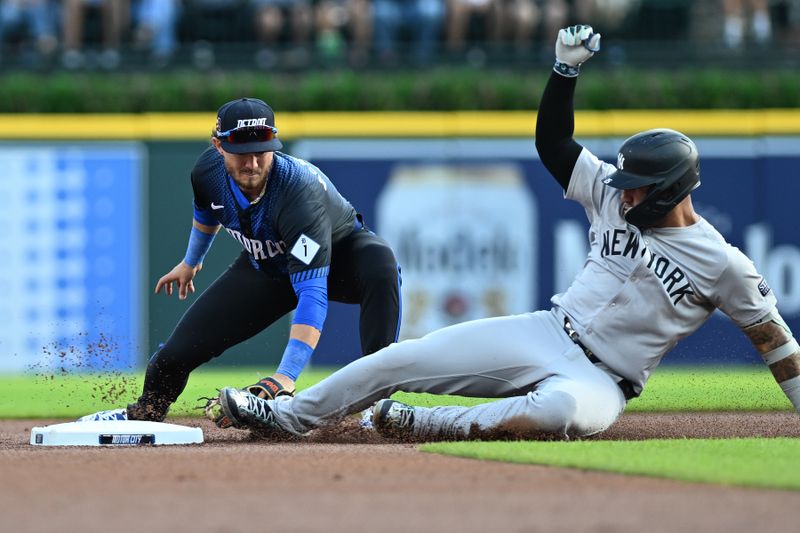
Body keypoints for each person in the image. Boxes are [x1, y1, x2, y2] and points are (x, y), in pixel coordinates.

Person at [211, 25, 800, 441]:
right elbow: (554, 145)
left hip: (604, 380)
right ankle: (283, 417)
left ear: (672, 190)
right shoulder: (612, 196)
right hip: (545, 331)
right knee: (402, 358)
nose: (624, 191)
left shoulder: (723, 265)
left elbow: (776, 343)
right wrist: (563, 73)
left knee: (560, 414)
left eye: (639, 186)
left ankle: (420, 423)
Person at [79, 97, 403, 423]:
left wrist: (285, 377)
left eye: (260, 151)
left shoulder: (298, 194)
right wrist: (191, 261)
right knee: (170, 359)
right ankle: (143, 416)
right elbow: (207, 212)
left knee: (381, 265)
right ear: (218, 146)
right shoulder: (207, 172)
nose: (252, 163)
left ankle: (377, 406)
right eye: (241, 153)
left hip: (338, 261)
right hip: (267, 268)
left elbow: (312, 294)